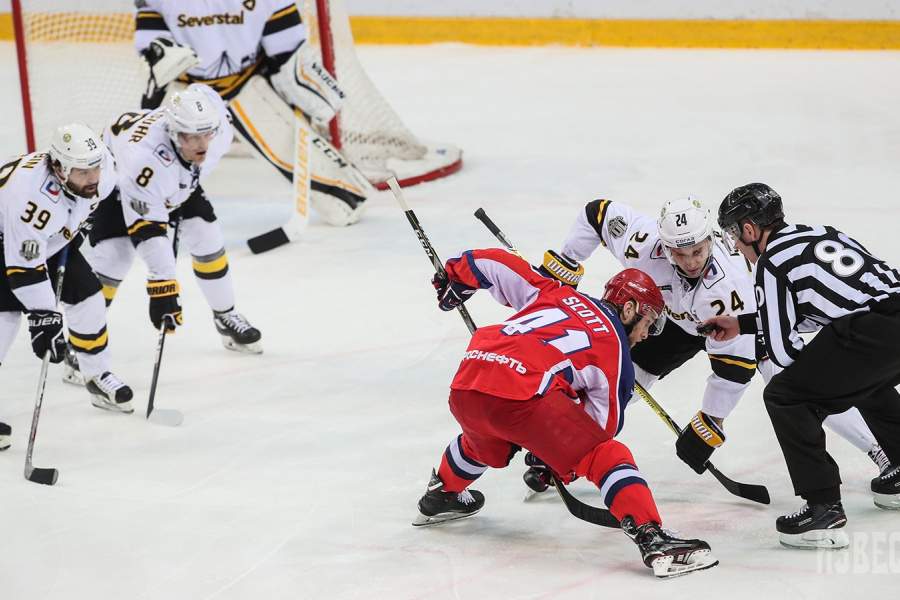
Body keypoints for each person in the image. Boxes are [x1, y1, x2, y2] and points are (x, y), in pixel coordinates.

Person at [529, 197, 888, 487]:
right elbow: (597, 214)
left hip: (738, 323)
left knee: (793, 381)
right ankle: (559, 447)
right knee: (620, 382)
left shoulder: (728, 288)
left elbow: (734, 370)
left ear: (711, 241)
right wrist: (566, 264)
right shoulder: (643, 243)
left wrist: (710, 422)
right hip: (671, 318)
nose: (690, 262)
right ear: (664, 244)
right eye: (679, 253)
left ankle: (879, 449)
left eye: (698, 251)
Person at [414, 247, 718, 578]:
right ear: (629, 308)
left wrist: (457, 275)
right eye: (648, 324)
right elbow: (601, 429)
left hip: (469, 378)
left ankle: (441, 493)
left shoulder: (556, 291)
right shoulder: (616, 352)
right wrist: (555, 456)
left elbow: (495, 263)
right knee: (607, 455)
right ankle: (652, 537)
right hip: (523, 394)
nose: (646, 335)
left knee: (485, 440)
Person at [703, 182, 900, 549]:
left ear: (750, 229)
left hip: (874, 331)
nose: (736, 245)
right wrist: (743, 324)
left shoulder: (771, 262)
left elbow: (782, 352)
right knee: (860, 377)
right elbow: (828, 303)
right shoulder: (818, 233)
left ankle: (823, 508)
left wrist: (807, 388)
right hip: (889, 317)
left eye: (733, 234)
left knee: (785, 396)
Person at [131, 0, 370, 227]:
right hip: (186, 92)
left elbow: (288, 53)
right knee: (153, 175)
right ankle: (148, 209)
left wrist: (305, 88)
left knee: (346, 203)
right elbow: (156, 56)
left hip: (246, 86)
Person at [86, 84, 262, 358]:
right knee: (114, 257)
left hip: (177, 178)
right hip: (116, 184)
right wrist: (163, 286)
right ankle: (82, 340)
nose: (203, 144)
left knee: (206, 234)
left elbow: (203, 90)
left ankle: (225, 315)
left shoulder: (218, 128)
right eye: (193, 137)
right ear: (174, 133)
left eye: (207, 133)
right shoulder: (143, 162)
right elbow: (147, 230)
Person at [0, 123, 134, 430]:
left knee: (89, 297)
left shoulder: (100, 171)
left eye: (95, 168)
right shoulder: (32, 199)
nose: (93, 177)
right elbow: (25, 269)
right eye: (83, 172)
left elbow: (92, 200)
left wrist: (76, 228)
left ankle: (95, 374)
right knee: (5, 320)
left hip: (44, 239)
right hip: (8, 241)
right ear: (60, 169)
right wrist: (44, 316)